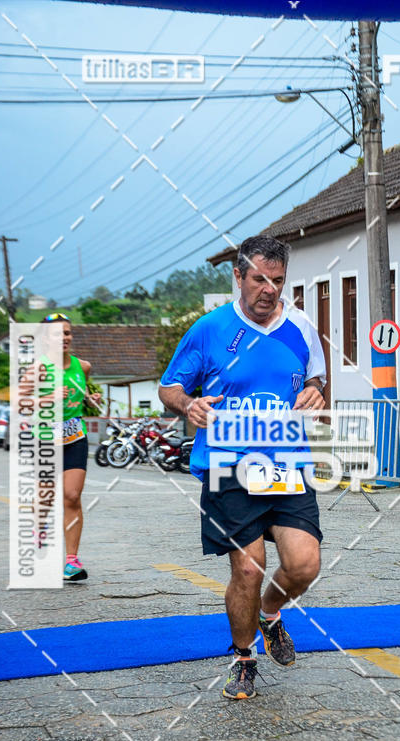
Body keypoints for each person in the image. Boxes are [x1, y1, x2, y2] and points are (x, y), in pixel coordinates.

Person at [159, 235, 326, 700]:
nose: (268, 289)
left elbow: (313, 380)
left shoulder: (302, 328)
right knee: (249, 569)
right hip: (228, 466)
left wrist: (315, 393)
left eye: (277, 280)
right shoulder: (209, 329)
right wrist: (188, 405)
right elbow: (169, 387)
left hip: (285, 464)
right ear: (238, 276)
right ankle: (243, 658)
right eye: (258, 279)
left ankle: (271, 614)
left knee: (304, 565)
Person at [41, 313, 101, 581]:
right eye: (56, 334)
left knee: (72, 496)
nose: (63, 338)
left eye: (66, 333)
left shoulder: (83, 366)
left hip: (73, 436)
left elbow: (82, 397)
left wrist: (91, 399)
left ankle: (71, 562)